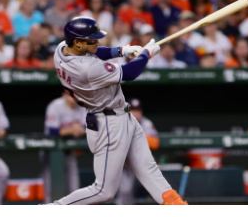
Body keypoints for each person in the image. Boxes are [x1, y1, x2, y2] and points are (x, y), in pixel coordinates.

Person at [51, 17, 186, 204]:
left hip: (121, 116)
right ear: (78, 43)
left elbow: (97, 52)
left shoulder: (61, 50)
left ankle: (176, 206)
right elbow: (130, 73)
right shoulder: (86, 69)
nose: (97, 42)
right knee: (103, 190)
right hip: (108, 123)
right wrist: (146, 54)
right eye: (92, 40)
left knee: (148, 169)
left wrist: (122, 50)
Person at [42, 91, 87, 203]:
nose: (74, 98)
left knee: (74, 188)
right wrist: (72, 129)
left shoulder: (82, 106)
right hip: (51, 153)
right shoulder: (55, 106)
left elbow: (90, 126)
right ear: (64, 95)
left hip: (70, 151)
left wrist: (77, 130)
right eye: (71, 95)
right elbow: (52, 131)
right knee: (51, 190)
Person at [116, 98, 160, 205]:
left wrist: (136, 139)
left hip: (143, 163)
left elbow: (155, 143)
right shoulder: (121, 123)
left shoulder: (147, 123)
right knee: (125, 191)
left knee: (157, 187)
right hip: (125, 164)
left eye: (138, 110)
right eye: (133, 110)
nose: (136, 113)